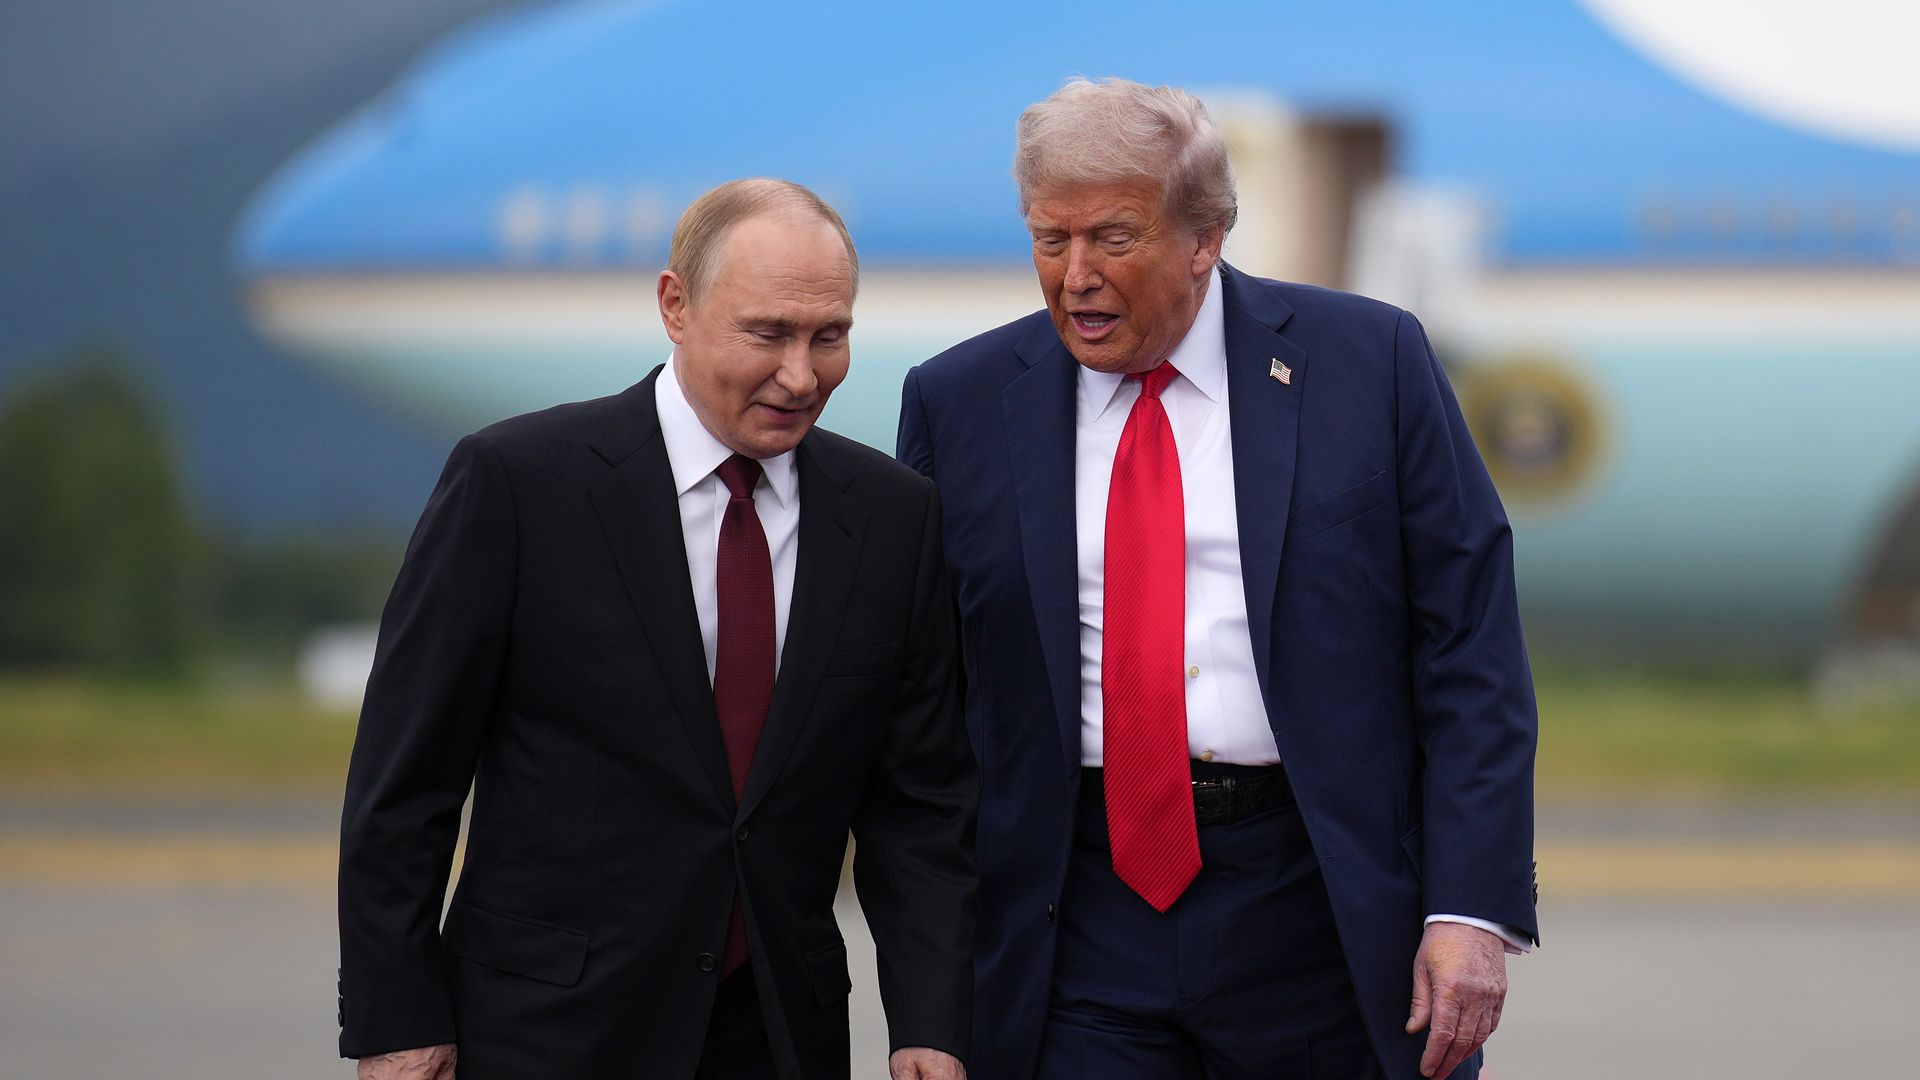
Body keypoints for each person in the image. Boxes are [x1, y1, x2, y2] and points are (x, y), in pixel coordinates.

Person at [896, 78, 1538, 1080]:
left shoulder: (1370, 365)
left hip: (1312, 900)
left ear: (1206, 236)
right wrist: (931, 1002)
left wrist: (1469, 910)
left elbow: (1471, 649)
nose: (1074, 277)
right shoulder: (961, 403)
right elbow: (926, 712)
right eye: (1048, 239)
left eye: (1112, 237)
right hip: (1077, 914)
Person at [338, 178, 976, 1080]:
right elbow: (405, 783)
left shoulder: (894, 518)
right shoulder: (517, 486)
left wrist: (931, 1021)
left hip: (778, 1038)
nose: (801, 375)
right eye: (767, 334)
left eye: (828, 336)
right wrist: (395, 1015)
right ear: (675, 306)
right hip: (546, 1034)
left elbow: (922, 809)